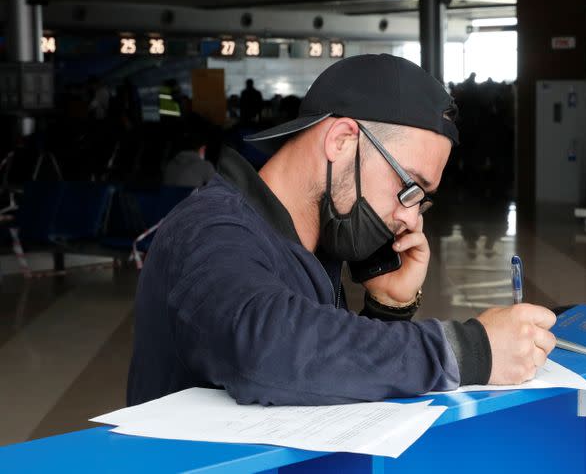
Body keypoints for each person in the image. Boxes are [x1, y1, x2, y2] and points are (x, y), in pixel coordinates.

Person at [127, 54, 556, 407]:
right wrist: (468, 351)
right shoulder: (210, 230)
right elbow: (266, 350)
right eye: (409, 187)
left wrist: (386, 307)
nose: (411, 219)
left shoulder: (314, 242)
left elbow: (315, 375)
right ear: (341, 141)